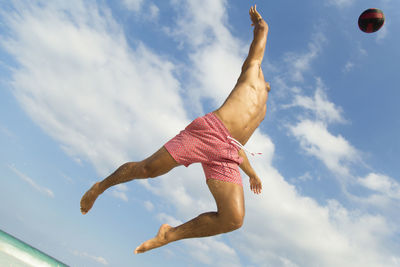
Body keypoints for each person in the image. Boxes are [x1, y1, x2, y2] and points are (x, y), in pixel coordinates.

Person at [80, 5, 270, 254]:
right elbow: (261, 34)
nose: (269, 84)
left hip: (228, 152)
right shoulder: (252, 71)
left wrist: (252, 174)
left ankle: (168, 234)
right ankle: (100, 187)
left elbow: (237, 147)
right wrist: (260, 24)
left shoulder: (262, 112)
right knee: (148, 169)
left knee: (233, 218)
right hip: (210, 132)